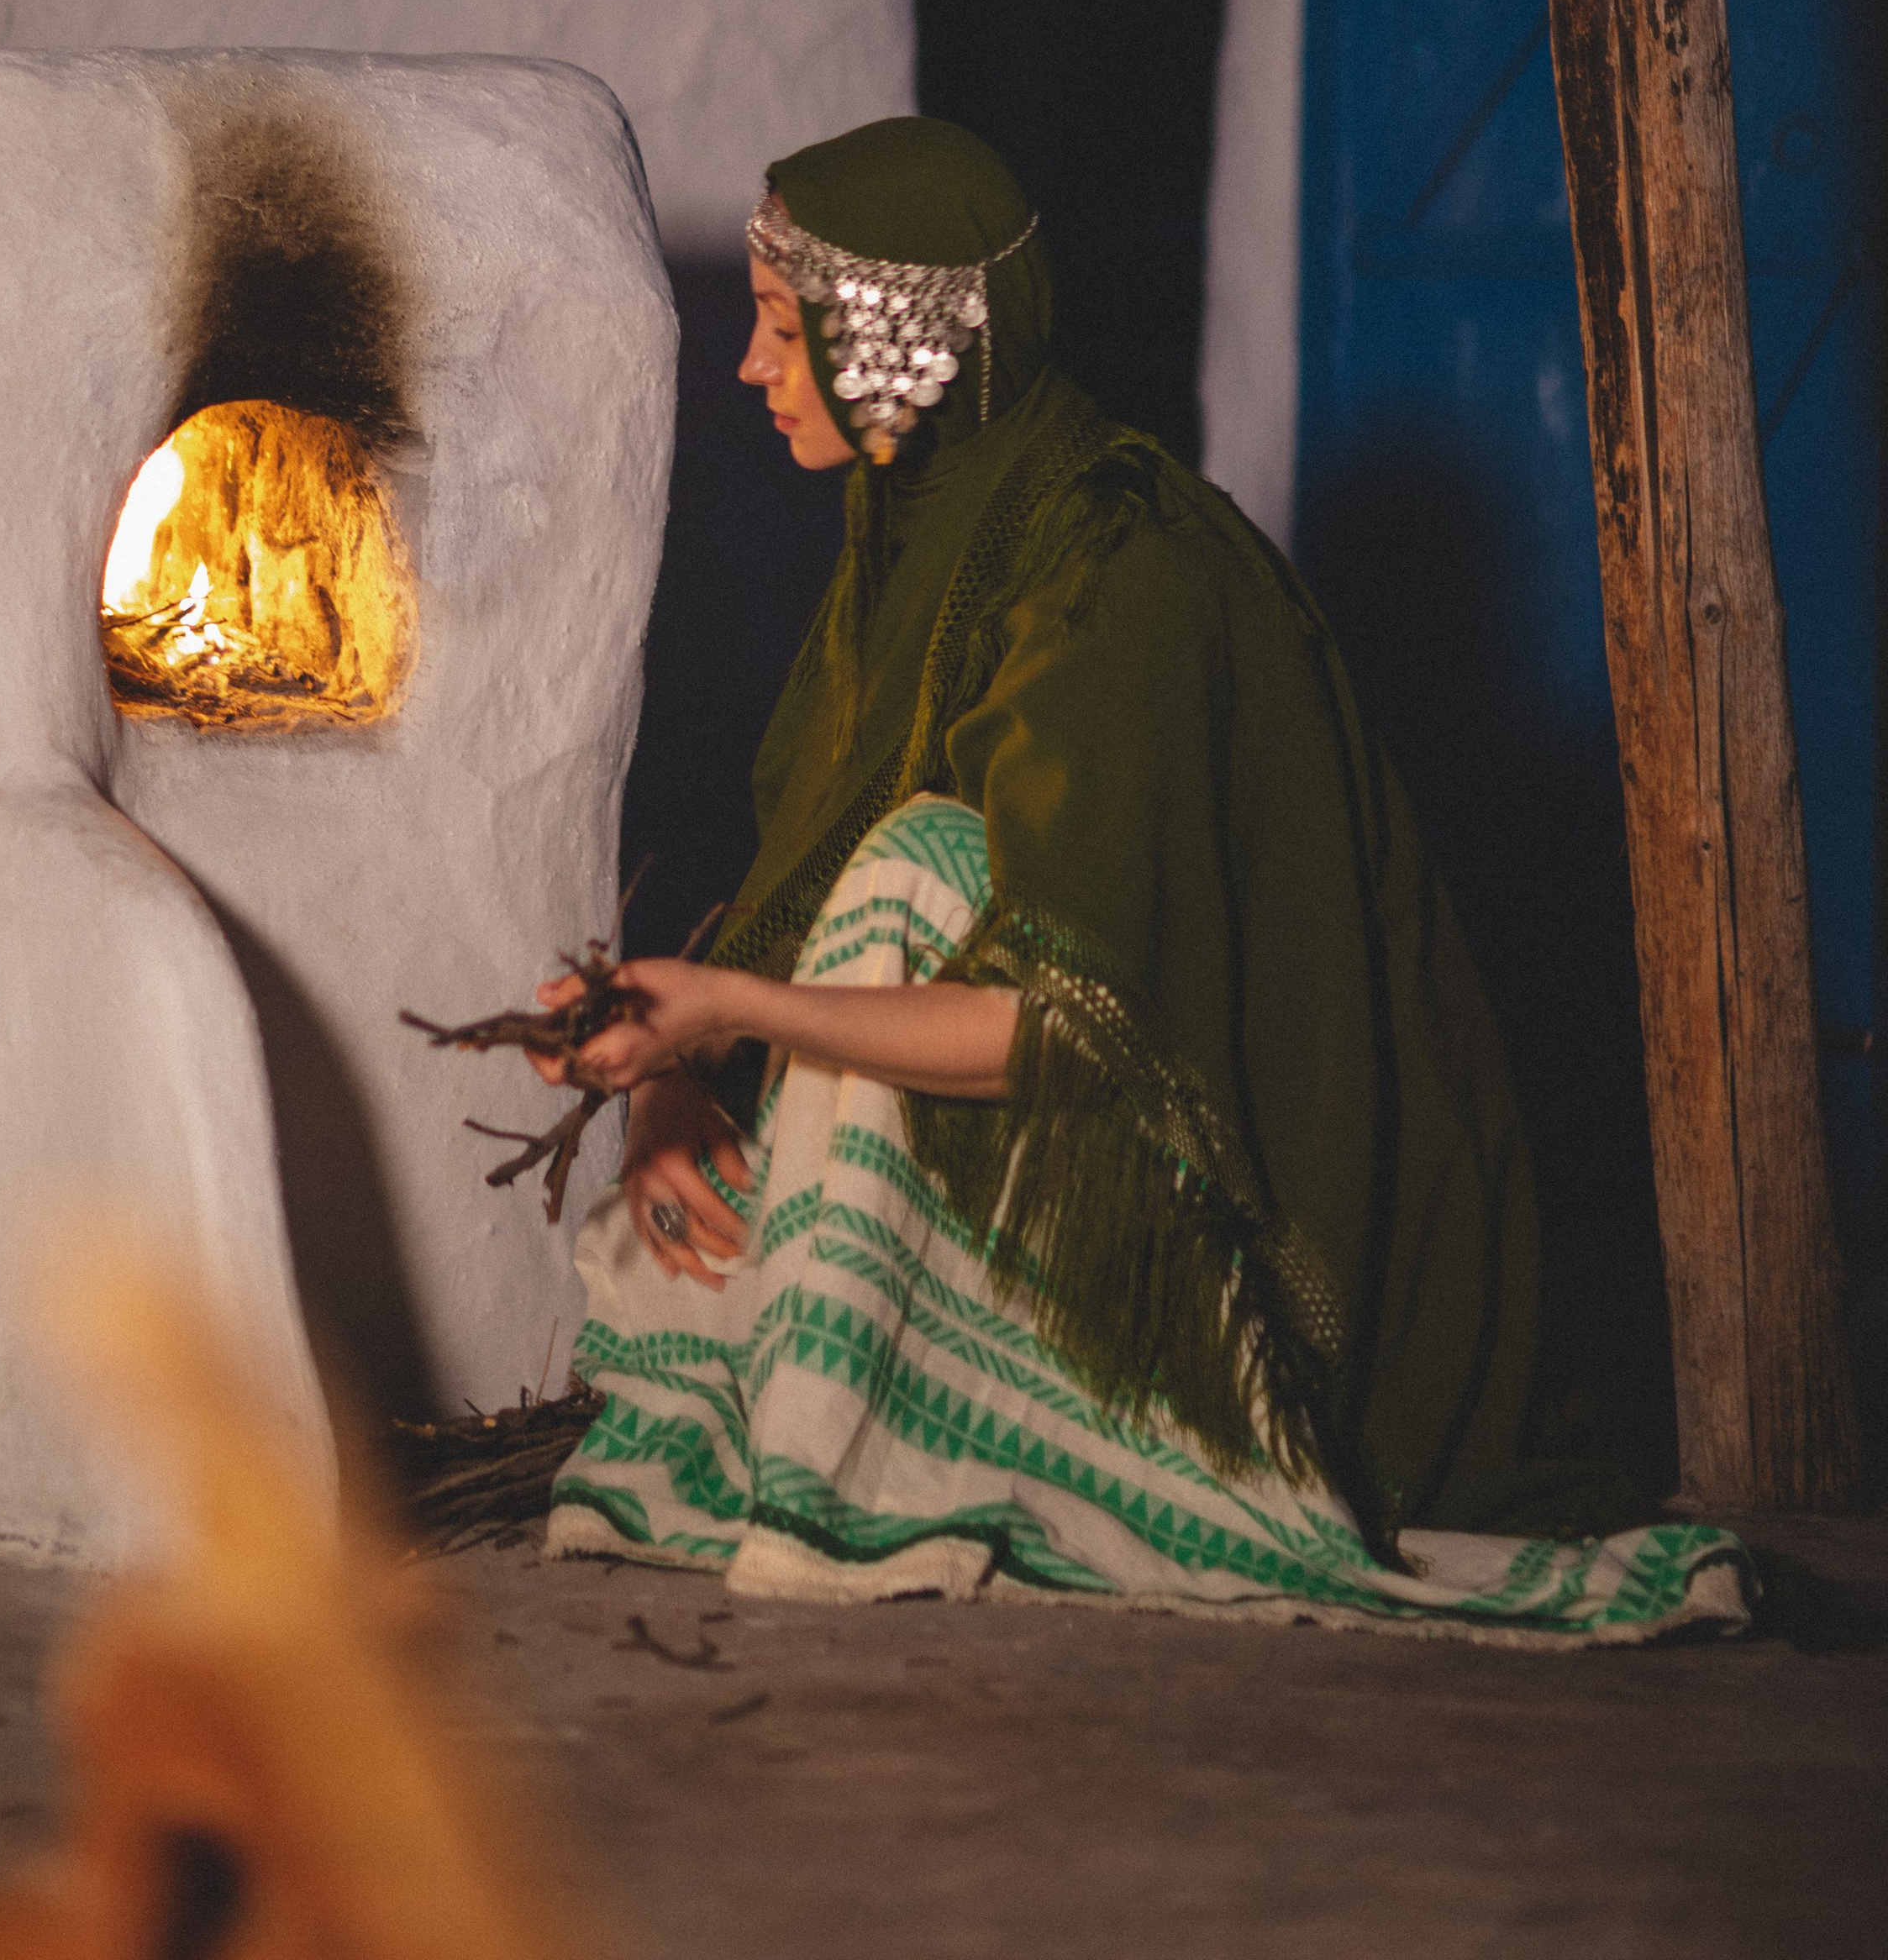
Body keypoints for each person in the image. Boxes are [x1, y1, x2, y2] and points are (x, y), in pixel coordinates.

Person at [531, 118, 1747, 1639]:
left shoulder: (1121, 565)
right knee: (854, 949)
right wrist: (676, 1078)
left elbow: (1070, 1024)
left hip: (1228, 1208)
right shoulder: (910, 543)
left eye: (787, 332)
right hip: (1025, 1114)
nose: (751, 371)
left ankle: (1077, 1436)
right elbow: (793, 890)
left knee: (924, 870)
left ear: (904, 343)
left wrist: (728, 1003)